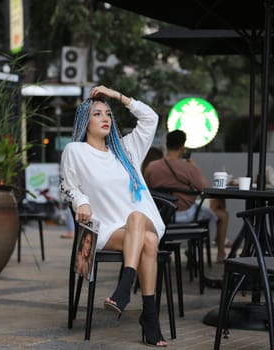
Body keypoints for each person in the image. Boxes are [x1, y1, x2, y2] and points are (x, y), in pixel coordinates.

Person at [60, 85, 167, 347]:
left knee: (137, 218)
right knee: (149, 243)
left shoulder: (126, 150)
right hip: (106, 229)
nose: (106, 118)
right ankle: (150, 317)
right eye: (97, 114)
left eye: (108, 113)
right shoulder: (75, 151)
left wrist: (116, 95)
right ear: (85, 121)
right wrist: (81, 202)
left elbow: (150, 118)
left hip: (144, 220)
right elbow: (68, 186)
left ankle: (125, 286)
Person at [144, 130, 229, 263]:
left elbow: (146, 192)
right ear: (183, 147)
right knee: (222, 214)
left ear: (167, 144)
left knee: (214, 207)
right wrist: (195, 167)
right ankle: (221, 252)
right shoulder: (188, 167)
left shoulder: (152, 167)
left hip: (162, 215)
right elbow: (205, 188)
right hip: (186, 214)